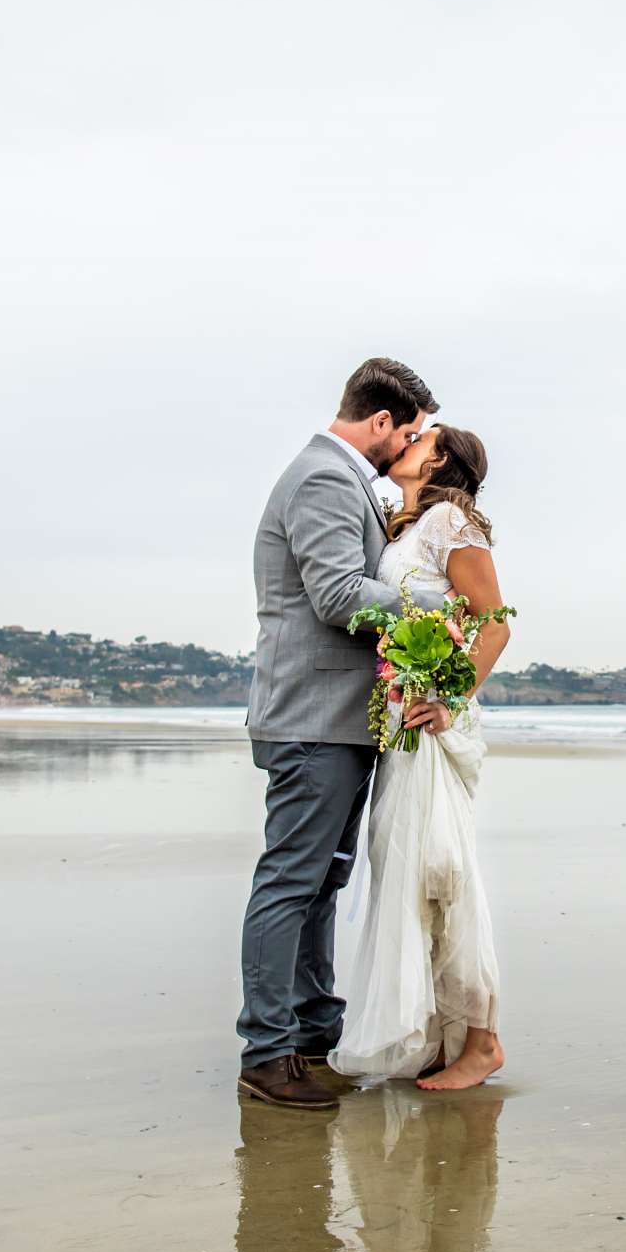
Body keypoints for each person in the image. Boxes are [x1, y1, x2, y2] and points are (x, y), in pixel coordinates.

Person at [237, 357, 438, 1110]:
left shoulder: (339, 478)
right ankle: (266, 1051)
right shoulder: (323, 477)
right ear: (381, 422)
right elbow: (336, 595)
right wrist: (428, 613)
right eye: (409, 432)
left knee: (322, 881)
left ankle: (313, 1029)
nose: (408, 447)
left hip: (335, 720)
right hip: (312, 720)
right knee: (293, 880)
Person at [329, 422, 511, 1092]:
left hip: (432, 725)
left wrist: (451, 698)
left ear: (442, 462)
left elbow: (495, 622)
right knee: (408, 872)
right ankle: (442, 1035)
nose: (406, 440)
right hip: (403, 718)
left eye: (422, 438)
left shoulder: (447, 522)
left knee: (443, 869)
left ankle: (483, 1040)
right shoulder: (405, 526)